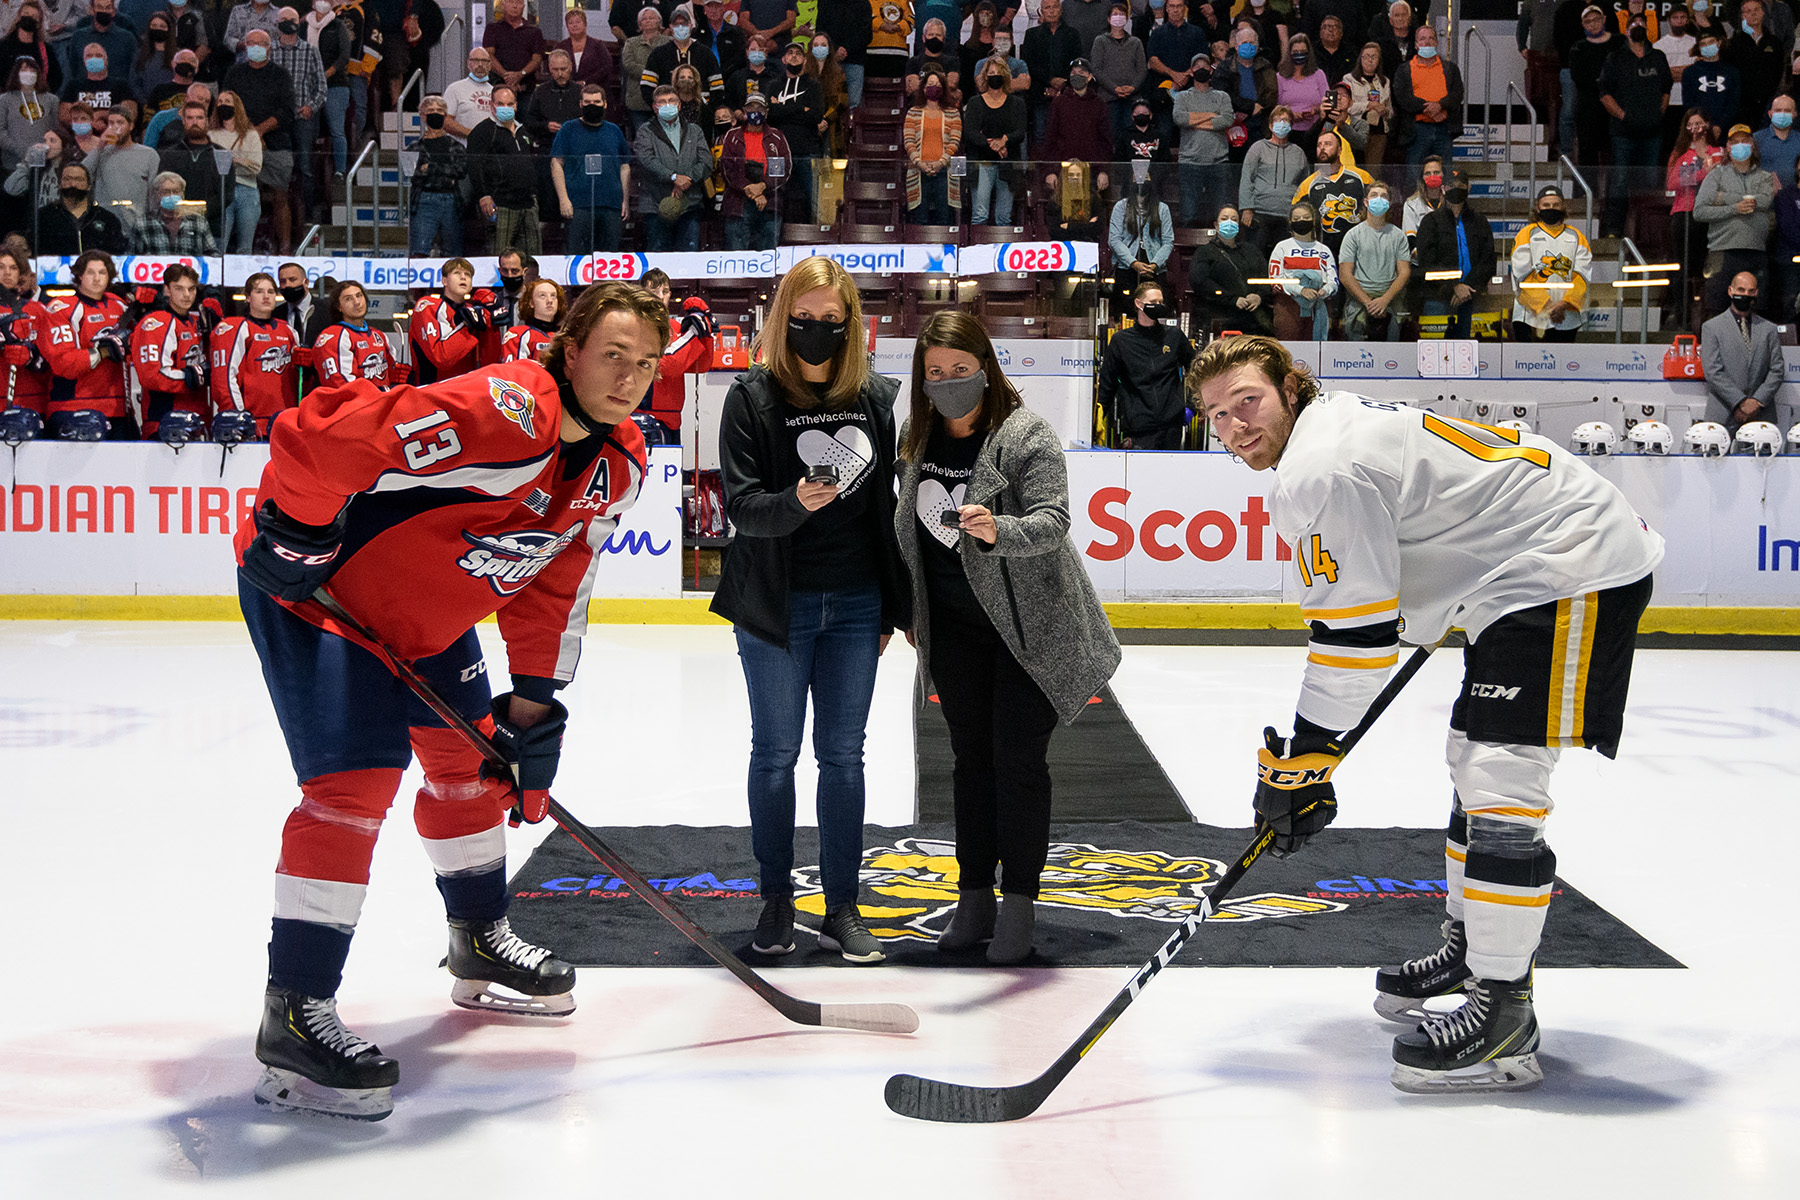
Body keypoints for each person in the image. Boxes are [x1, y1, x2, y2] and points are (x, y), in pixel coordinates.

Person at [233, 280, 665, 1122]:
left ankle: (477, 941)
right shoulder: (503, 412)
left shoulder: (619, 461)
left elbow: (553, 583)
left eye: (645, 364)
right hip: (325, 599)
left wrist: (535, 706)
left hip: (431, 616)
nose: (628, 378)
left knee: (471, 770)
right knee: (351, 794)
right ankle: (294, 1009)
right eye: (612, 355)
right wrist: (298, 524)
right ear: (567, 349)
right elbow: (318, 432)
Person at [1189, 333, 1662, 1095]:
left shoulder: (1321, 465)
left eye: (1248, 401)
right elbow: (1374, 611)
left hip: (1568, 564)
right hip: (1518, 576)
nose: (1236, 424)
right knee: (1470, 755)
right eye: (1217, 415)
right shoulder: (1327, 431)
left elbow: (1354, 637)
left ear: (1288, 387)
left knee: (1500, 773)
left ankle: (1504, 1009)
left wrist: (1305, 758)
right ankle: (1477, 952)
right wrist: (1311, 755)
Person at [892, 309, 1120, 964]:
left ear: (986, 368)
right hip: (956, 634)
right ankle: (972, 899)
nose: (948, 382)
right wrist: (911, 608)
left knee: (1018, 765)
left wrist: (1000, 530)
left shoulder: (1026, 435)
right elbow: (908, 529)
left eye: (960, 371)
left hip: (1031, 633)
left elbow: (1053, 521)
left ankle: (1017, 903)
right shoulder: (917, 436)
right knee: (970, 764)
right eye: (935, 374)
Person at [708, 257, 906, 966]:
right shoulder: (752, 397)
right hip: (775, 607)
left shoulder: (876, 398)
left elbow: (889, 513)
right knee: (776, 755)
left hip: (856, 604)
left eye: (831, 321)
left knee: (843, 759)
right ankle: (775, 900)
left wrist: (895, 607)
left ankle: (843, 907)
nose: (817, 331)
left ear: (851, 325)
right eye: (804, 318)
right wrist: (795, 502)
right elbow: (740, 507)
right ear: (781, 315)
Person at [36, 249, 130, 437]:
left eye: (102, 273)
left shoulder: (119, 306)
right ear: (79, 275)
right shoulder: (62, 307)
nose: (97, 278)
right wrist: (101, 352)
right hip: (72, 406)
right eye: (90, 272)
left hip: (117, 408)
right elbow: (63, 363)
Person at [222, 30, 297, 252]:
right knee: (233, 194)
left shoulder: (281, 75)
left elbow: (287, 111)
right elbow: (226, 105)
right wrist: (247, 135)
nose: (255, 46)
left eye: (260, 43)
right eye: (251, 43)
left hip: (276, 142)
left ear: (269, 47)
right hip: (239, 141)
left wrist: (259, 132)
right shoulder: (235, 73)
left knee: (280, 196)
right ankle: (231, 247)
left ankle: (284, 248)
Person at [1598, 12, 1671, 238]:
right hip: (1624, 132)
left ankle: (1645, 232)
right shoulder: (1615, 57)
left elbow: (1666, 89)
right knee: (1619, 181)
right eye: (1633, 24)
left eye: (1642, 23)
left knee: (1649, 181)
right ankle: (1614, 229)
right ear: (1626, 30)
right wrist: (1622, 115)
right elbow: (1604, 93)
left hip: (1653, 132)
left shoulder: (1658, 56)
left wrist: (1657, 114)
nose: (1638, 26)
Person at [1099, 279, 1194, 448]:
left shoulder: (1174, 336)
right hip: (1137, 429)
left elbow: (1197, 369)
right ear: (1138, 303)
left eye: (1160, 302)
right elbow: (1108, 383)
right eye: (1153, 302)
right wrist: (1099, 419)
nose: (1158, 305)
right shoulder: (1121, 341)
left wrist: (1192, 406)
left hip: (1171, 428)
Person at [1693, 123, 1775, 315]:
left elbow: (1765, 200)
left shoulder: (1765, 177)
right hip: (1721, 252)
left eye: (1745, 141)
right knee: (1716, 308)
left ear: (1752, 145)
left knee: (1759, 311)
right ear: (1728, 147)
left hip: (1756, 251)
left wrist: (1722, 197)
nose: (1740, 146)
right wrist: (1734, 208)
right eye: (1735, 142)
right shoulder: (1715, 175)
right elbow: (1699, 212)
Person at [209, 271, 300, 437]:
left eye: (270, 292)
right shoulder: (237, 328)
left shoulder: (288, 330)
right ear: (248, 297)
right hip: (252, 424)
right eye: (259, 291)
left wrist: (306, 370)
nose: (266, 296)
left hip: (285, 422)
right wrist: (239, 417)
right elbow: (225, 378)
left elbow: (297, 382)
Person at [128, 260, 209, 438]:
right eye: (179, 288)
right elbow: (153, 376)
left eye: (191, 289)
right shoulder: (156, 323)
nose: (186, 295)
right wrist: (193, 375)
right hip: (163, 419)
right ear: (167, 290)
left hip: (198, 417)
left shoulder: (198, 323)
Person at [551, 81, 631, 255]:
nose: (592, 106)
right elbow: (556, 163)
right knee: (578, 257)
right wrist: (563, 199)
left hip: (611, 203)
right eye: (587, 102)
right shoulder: (567, 129)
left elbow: (624, 165)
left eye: (596, 102)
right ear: (580, 104)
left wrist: (625, 200)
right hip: (579, 204)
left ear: (605, 104)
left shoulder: (614, 130)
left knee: (609, 259)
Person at [1414, 168, 1494, 338]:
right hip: (1439, 297)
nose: (1456, 189)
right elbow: (1427, 263)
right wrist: (1455, 286)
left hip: (1473, 296)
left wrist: (1467, 288)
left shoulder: (1480, 221)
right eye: (1451, 186)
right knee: (1435, 354)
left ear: (1469, 188)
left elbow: (1488, 260)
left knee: (1473, 353)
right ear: (1443, 189)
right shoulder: (1430, 221)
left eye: (1461, 185)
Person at [1699, 270, 1783, 430]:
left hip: (1761, 416)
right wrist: (1741, 401)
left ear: (1756, 293)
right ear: (1731, 291)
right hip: (1722, 415)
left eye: (1751, 291)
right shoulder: (1711, 327)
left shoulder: (1769, 329)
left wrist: (1757, 401)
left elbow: (1777, 370)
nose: (1745, 295)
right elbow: (1712, 371)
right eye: (1741, 290)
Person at [635, 83, 713, 251]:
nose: (667, 104)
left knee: (688, 257)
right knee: (658, 256)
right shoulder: (645, 131)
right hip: (656, 205)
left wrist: (688, 178)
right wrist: (674, 177)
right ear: (655, 108)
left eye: (671, 100)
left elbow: (706, 161)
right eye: (662, 102)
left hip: (690, 204)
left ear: (679, 105)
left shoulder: (695, 130)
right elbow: (646, 160)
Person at [467, 84, 542, 256]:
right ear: (491, 105)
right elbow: (474, 166)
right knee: (500, 254)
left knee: (533, 256)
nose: (505, 108)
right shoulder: (482, 132)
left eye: (509, 104)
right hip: (500, 203)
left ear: (516, 105)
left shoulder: (524, 131)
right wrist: (484, 195)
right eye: (500, 104)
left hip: (528, 202)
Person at [1510, 185, 1592, 342]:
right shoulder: (1526, 234)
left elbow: (1583, 276)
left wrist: (1563, 304)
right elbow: (1521, 275)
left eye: (1556, 205)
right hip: (1530, 317)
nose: (1551, 208)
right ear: (1538, 208)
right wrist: (1547, 304)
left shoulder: (1577, 236)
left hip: (1566, 317)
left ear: (1563, 206)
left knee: (1563, 364)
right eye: (1546, 205)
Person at [1667, 108, 1724, 329]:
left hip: (1712, 215)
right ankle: (1683, 318)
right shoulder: (1680, 152)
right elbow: (1672, 183)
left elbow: (1722, 178)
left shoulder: (1718, 151)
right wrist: (1704, 172)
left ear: (1708, 125)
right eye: (1691, 124)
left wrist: (1696, 173)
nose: (1695, 128)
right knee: (1684, 267)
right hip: (1685, 213)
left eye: (1700, 123)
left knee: (1708, 268)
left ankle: (1709, 316)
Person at [270, 7, 326, 224]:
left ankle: (309, 214)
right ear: (277, 23)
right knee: (276, 165)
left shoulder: (310, 51)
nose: (288, 22)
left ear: (299, 22)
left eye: (292, 19)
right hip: (276, 120)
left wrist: (310, 107)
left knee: (305, 166)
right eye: (283, 19)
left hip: (303, 117)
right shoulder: (269, 50)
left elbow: (321, 87)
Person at [409, 258, 502, 384]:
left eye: (468, 275)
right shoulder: (428, 306)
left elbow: (490, 362)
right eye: (457, 273)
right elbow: (441, 358)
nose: (463, 277)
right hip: (431, 393)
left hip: (465, 393)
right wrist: (467, 325)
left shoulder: (474, 311)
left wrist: (491, 325)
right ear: (444, 280)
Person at [1338, 182, 1409, 340]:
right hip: (1359, 301)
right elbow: (1345, 274)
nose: (1379, 199)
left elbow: (1404, 273)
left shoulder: (1398, 236)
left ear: (1389, 203)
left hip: (1390, 300)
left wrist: (1384, 300)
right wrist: (1368, 303)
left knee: (1392, 356)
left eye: (1383, 196)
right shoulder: (1353, 235)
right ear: (1365, 202)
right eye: (1374, 195)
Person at [1189, 203, 1273, 334]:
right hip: (1222, 317)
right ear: (1216, 225)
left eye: (1234, 219)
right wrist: (1232, 300)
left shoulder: (1252, 251)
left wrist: (1259, 295)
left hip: (1254, 319)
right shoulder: (1205, 251)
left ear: (1238, 226)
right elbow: (1200, 281)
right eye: (1224, 218)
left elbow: (1265, 277)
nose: (1229, 222)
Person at [721, 90, 789, 248]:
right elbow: (727, 170)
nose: (755, 112)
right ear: (744, 111)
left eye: (759, 109)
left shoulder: (777, 137)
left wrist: (762, 186)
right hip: (739, 204)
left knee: (768, 260)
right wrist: (750, 189)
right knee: (736, 260)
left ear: (766, 112)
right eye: (751, 109)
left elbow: (783, 170)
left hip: (770, 203)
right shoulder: (732, 136)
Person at [964, 55, 1025, 225]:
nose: (995, 75)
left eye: (998, 72)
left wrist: (1004, 140)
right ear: (985, 76)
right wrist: (993, 144)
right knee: (980, 214)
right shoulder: (975, 102)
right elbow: (970, 132)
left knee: (1004, 217)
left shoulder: (1017, 103)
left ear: (1005, 76)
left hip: (1007, 162)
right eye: (991, 72)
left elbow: (1020, 132)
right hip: (982, 162)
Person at [1391, 22, 1462, 167]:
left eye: (1431, 38)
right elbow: (1402, 97)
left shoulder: (1450, 68)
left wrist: (1440, 105)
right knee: (1414, 176)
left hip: (1444, 128)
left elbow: (1457, 94)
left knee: (1445, 174)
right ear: (1416, 45)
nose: (1427, 42)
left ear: (1436, 42)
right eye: (1422, 39)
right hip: (1416, 130)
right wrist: (1431, 110)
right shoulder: (1404, 70)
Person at [1172, 51, 1232, 224]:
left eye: (1205, 66)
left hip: (1218, 162)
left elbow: (1227, 119)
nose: (1201, 69)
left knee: (1220, 214)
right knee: (1189, 214)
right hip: (1190, 162)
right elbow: (1179, 119)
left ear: (1211, 70)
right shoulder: (1182, 97)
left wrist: (1194, 121)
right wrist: (1211, 115)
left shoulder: (1222, 96)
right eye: (1197, 66)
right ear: (1191, 71)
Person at [1292, 128, 1370, 255]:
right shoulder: (1308, 184)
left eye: (1327, 144)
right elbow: (1296, 215)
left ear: (1340, 150)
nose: (1322, 148)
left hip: (1359, 248)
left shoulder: (1361, 177)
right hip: (1323, 250)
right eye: (1319, 145)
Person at [311, 279, 400, 389]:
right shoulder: (333, 337)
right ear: (338, 307)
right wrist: (381, 392)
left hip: (380, 403)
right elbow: (344, 387)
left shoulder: (378, 335)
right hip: (353, 405)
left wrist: (399, 378)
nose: (357, 302)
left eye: (359, 296)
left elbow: (391, 373)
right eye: (348, 299)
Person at [1239, 102, 1304, 252]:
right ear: (1270, 125)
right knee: (1255, 255)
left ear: (1291, 125)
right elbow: (1247, 178)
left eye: (1286, 120)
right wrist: (1247, 208)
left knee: (1285, 257)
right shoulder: (1258, 148)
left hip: (1288, 214)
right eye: (1278, 120)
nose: (1282, 123)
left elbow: (1303, 184)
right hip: (1260, 212)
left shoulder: (1298, 152)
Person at [1040, 55, 1112, 188]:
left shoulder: (1099, 104)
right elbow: (1050, 139)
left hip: (1091, 173)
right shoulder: (1059, 103)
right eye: (1073, 72)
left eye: (1081, 72)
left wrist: (1103, 170)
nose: (1076, 75)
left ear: (1089, 77)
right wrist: (1050, 171)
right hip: (1063, 171)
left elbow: (1105, 141)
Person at [408, 93, 466, 257]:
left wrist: (431, 168)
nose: (436, 113)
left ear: (446, 115)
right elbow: (415, 175)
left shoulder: (457, 147)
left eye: (440, 110)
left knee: (453, 254)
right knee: (419, 252)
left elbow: (460, 171)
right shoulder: (414, 147)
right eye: (431, 110)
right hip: (424, 200)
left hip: (452, 201)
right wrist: (446, 172)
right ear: (422, 116)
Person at [1269, 199, 1337, 339]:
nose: (1301, 221)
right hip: (1289, 305)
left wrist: (1325, 290)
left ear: (1313, 221)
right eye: (1297, 218)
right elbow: (1275, 279)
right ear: (1290, 222)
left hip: (1317, 306)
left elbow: (1333, 280)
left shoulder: (1323, 250)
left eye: (1306, 218)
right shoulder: (1282, 247)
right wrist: (1301, 290)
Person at [211, 89, 264, 252]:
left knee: (245, 247)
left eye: (227, 101)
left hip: (247, 190)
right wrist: (240, 162)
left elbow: (256, 167)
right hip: (221, 191)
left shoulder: (251, 135)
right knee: (219, 246)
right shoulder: (211, 134)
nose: (222, 105)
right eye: (219, 102)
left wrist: (233, 160)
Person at [642, 8, 724, 110]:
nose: (680, 27)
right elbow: (647, 86)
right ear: (670, 27)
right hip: (669, 112)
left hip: (701, 111)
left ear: (691, 26)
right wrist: (659, 107)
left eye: (684, 23)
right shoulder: (658, 53)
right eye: (676, 24)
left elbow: (717, 86)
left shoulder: (705, 53)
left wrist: (709, 109)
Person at [36, 160, 126, 252]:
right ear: (59, 184)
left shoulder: (107, 219)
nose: (73, 184)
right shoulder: (44, 217)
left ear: (89, 186)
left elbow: (116, 255)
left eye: (79, 180)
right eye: (67, 179)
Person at [1023, 0, 1082, 140]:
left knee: (1067, 134)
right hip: (1040, 93)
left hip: (1067, 92)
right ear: (1041, 11)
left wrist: (1063, 82)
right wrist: (1050, 81)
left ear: (1061, 10)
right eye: (1047, 8)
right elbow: (1029, 63)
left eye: (1055, 7)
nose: (1051, 11)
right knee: (1040, 134)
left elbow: (1076, 61)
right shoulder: (1031, 34)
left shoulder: (1072, 34)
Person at [312, 0, 358, 178]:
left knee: (337, 129)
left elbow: (345, 55)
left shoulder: (338, 26)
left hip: (336, 84)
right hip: (310, 86)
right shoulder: (303, 25)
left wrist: (326, 73)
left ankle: (340, 170)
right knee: (311, 129)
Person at [1109, 180, 1172, 310]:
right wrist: (1133, 263)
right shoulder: (1121, 206)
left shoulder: (1163, 208)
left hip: (1154, 270)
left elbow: (1168, 242)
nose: (1142, 177)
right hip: (1126, 269)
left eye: (1146, 174)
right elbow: (1114, 240)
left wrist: (1155, 264)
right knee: (1126, 311)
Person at [84, 105, 158, 216]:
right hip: (105, 219)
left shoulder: (149, 154)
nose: (115, 127)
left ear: (131, 126)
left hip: (137, 221)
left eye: (120, 123)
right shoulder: (101, 153)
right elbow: (82, 175)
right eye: (111, 123)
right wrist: (99, 148)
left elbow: (154, 192)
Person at [1568, 5, 1617, 169]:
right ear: (1583, 24)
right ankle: (1588, 193)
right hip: (1588, 107)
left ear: (1603, 19)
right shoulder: (1578, 47)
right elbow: (1579, 77)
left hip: (1615, 106)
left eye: (1596, 19)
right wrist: (1603, 83)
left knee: (1615, 151)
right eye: (1588, 21)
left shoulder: (1619, 42)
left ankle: (1614, 194)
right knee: (1587, 151)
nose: (1593, 24)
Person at [1093, 2, 1147, 143]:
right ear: (1109, 19)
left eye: (1122, 14)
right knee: (1111, 137)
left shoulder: (1136, 42)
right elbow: (1096, 69)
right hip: (1108, 98)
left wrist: (1133, 87)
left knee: (1131, 138)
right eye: (1115, 14)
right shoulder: (1100, 41)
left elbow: (1142, 69)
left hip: (1131, 99)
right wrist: (1114, 88)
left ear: (1127, 18)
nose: (1118, 17)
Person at [131, 169, 220, 254]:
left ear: (182, 194)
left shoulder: (199, 222)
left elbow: (213, 256)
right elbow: (131, 258)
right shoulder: (142, 224)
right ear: (157, 195)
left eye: (176, 191)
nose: (171, 195)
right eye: (166, 192)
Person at [1275, 27, 1327, 158]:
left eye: (1303, 51)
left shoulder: (1318, 74)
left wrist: (1316, 109)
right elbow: (1275, 106)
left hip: (1315, 131)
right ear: (1290, 53)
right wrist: (1291, 114)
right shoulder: (1280, 77)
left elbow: (1327, 101)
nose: (1299, 54)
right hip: (1288, 132)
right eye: (1296, 51)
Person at [1730, 0, 1781, 129]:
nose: (1753, 14)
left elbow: (1778, 71)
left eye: (1756, 10)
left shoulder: (1774, 42)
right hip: (1742, 103)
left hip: (1767, 101)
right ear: (1742, 16)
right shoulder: (1733, 44)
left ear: (1763, 13)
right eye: (1748, 11)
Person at [1227, 18, 1279, 143]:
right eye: (1244, 42)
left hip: (1260, 121)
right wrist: (1245, 108)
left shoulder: (1266, 66)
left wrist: (1255, 109)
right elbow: (1223, 92)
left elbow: (1272, 93)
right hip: (1233, 121)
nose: (1248, 45)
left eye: (1251, 42)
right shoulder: (1226, 67)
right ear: (1236, 46)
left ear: (1257, 46)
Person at [621, 6, 670, 137]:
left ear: (659, 22)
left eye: (651, 18)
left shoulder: (669, 42)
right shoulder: (631, 43)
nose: (648, 21)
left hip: (664, 100)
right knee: (642, 138)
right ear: (639, 24)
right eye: (644, 19)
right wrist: (653, 74)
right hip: (638, 101)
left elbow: (670, 65)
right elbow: (629, 65)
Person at [483, 0, 544, 100]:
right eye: (511, 2)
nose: (515, 6)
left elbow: (536, 59)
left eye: (519, 3)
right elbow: (488, 55)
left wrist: (520, 74)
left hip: (525, 89)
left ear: (524, 6)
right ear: (503, 5)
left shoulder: (534, 32)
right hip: (496, 88)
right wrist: (505, 76)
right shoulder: (492, 29)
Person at [57, 42, 130, 124]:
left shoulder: (121, 85)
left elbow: (129, 113)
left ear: (106, 60)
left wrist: (102, 114)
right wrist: (91, 124)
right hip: (81, 132)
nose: (94, 59)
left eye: (98, 55)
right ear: (84, 61)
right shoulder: (73, 86)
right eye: (89, 56)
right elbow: (64, 115)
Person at [1683, 29, 1737, 136]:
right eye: (1703, 44)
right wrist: (1702, 125)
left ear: (1719, 43)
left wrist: (1719, 125)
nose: (1707, 46)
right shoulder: (1690, 72)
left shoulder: (1731, 71)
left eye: (1711, 42)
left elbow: (1733, 103)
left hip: (1726, 129)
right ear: (1698, 47)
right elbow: (1689, 103)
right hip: (1698, 129)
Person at [1344, 41, 1390, 166]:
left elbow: (1390, 110)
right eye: (1367, 56)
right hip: (1357, 130)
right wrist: (1369, 105)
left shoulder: (1385, 81)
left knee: (1373, 172)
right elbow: (1347, 107)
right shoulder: (1349, 79)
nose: (1370, 60)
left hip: (1379, 132)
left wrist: (1384, 110)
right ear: (1361, 58)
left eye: (1374, 57)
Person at [525, 48, 581, 147]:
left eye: (563, 69)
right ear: (550, 68)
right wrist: (546, 126)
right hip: (547, 144)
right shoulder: (540, 91)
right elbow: (529, 122)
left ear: (571, 67)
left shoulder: (580, 92)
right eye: (555, 69)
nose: (560, 74)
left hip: (575, 145)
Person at [502, 276, 561, 365]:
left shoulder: (566, 335)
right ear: (531, 303)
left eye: (553, 296)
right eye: (542, 296)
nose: (549, 300)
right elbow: (515, 373)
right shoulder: (518, 334)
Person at [444, 45, 496, 144]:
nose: (480, 64)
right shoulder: (455, 89)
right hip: (463, 149)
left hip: (490, 149)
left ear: (490, 65)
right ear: (469, 64)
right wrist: (472, 134)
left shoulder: (495, 92)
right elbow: (446, 121)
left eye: (484, 61)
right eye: (476, 60)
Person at [552, 6, 614, 90]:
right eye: (570, 23)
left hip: (594, 89)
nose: (574, 25)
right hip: (566, 89)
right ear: (567, 26)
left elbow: (606, 67)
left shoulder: (597, 45)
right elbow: (553, 67)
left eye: (578, 22)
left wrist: (586, 82)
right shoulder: (560, 46)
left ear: (585, 24)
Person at [1753, 94, 1800, 192]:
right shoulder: (1756, 139)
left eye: (1787, 111)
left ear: (1795, 114)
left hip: (1794, 201)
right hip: (1765, 201)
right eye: (1778, 110)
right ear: (1770, 114)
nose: (1782, 114)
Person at [696, 0, 750, 80]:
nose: (713, 10)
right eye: (710, 6)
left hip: (730, 81)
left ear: (723, 8)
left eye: (717, 6)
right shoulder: (697, 33)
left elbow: (740, 62)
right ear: (705, 9)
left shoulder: (736, 33)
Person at [277, 261, 323, 344]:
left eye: (292, 280)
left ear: (306, 282)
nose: (287, 285)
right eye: (283, 281)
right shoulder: (275, 315)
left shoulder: (327, 310)